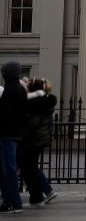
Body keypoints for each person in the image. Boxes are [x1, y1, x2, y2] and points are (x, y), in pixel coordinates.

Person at [20, 78, 58, 207]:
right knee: (30, 167)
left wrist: (24, 137)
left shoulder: (35, 104)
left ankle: (38, 196)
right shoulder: (45, 101)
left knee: (29, 168)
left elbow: (33, 124)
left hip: (32, 140)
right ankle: (38, 195)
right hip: (39, 139)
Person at [0, 61, 27, 214]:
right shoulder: (21, 89)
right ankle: (9, 200)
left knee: (8, 169)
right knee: (7, 168)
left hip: (7, 134)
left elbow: (4, 113)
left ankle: (13, 202)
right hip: (16, 134)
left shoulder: (10, 90)